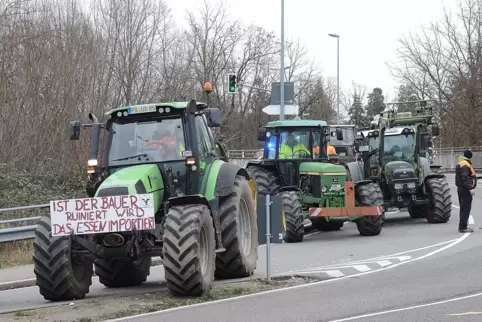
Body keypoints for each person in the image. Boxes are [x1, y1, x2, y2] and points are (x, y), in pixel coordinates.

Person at [455, 149, 476, 233]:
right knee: (466, 208)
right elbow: (465, 177)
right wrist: (470, 188)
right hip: (465, 189)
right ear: (470, 157)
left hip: (461, 188)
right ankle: (463, 227)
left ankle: (463, 225)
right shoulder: (465, 164)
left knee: (463, 207)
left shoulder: (460, 162)